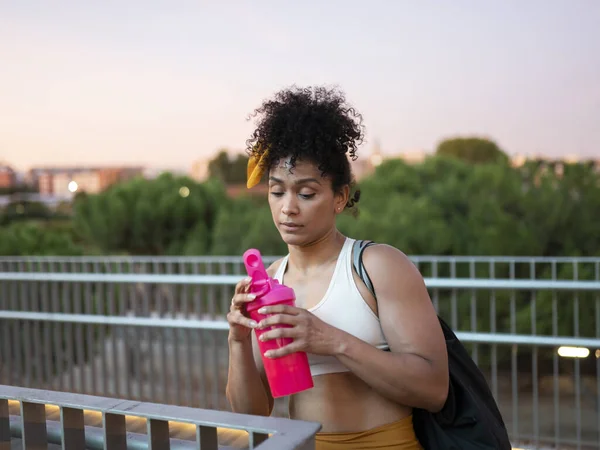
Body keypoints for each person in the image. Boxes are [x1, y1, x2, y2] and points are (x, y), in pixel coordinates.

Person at [226, 86, 449, 450]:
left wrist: (332, 341)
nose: (288, 208)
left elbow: (434, 389)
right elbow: (252, 411)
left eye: (307, 193)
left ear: (340, 197)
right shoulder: (269, 281)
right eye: (277, 191)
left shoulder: (377, 266)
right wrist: (236, 340)